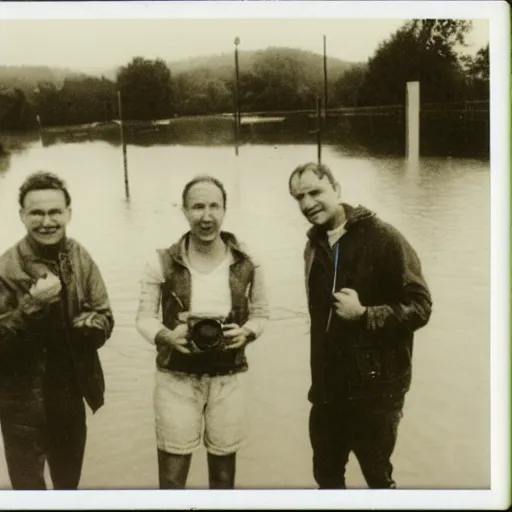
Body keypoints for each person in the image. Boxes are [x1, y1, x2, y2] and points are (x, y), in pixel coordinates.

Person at [288, 162, 432, 489]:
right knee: (326, 477)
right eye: (299, 197)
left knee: (378, 479)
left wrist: (365, 314)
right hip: (327, 393)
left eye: (315, 192)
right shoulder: (314, 245)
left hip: (376, 394)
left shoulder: (384, 238)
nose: (307, 203)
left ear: (336, 190)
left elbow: (421, 308)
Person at [136, 175, 269, 489]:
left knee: (223, 478)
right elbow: (144, 318)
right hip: (176, 378)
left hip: (229, 378)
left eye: (214, 206)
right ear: (183, 210)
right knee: (171, 479)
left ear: (225, 210)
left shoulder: (249, 261)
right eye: (197, 206)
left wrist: (247, 332)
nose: (206, 216)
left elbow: (262, 314)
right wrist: (167, 336)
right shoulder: (161, 262)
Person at [0, 171, 114, 490]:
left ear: (68, 214)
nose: (47, 221)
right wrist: (32, 305)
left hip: (69, 395)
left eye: (54, 212)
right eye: (36, 212)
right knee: (29, 494)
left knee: (68, 489)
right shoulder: (5, 268)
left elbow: (105, 314)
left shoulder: (79, 257)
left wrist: (93, 325)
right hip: (20, 401)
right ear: (22, 216)